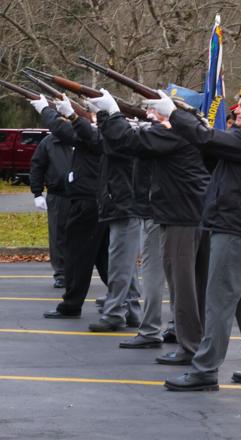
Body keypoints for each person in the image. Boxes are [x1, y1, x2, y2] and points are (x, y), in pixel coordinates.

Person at [143, 78, 241, 391]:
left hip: (236, 229)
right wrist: (179, 120)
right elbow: (205, 144)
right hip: (238, 226)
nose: (236, 110)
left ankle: (205, 369)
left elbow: (206, 138)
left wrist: (174, 113)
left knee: (219, 300)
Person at [94, 90, 211, 360]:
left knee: (183, 287)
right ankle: (193, 342)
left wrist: (111, 112)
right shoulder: (188, 132)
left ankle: (190, 346)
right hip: (189, 214)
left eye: (155, 111)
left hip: (180, 216)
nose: (149, 115)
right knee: (192, 285)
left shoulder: (173, 133)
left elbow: (128, 140)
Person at [31, 96, 109, 320]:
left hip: (86, 202)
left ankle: (71, 305)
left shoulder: (96, 135)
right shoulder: (102, 133)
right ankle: (123, 300)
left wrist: (47, 109)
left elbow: (62, 130)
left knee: (77, 257)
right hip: (94, 201)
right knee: (103, 257)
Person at [85, 91, 143, 333]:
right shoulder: (121, 137)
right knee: (124, 264)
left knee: (119, 265)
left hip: (125, 206)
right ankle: (131, 311)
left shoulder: (130, 139)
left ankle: (114, 314)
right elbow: (101, 140)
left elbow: (114, 141)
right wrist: (101, 115)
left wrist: (111, 113)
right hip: (119, 205)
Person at [28, 99, 72, 289]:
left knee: (79, 235)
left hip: (82, 195)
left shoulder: (79, 137)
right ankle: (61, 272)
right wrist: (37, 193)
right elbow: (37, 167)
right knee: (58, 235)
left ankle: (77, 270)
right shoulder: (48, 142)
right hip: (58, 194)